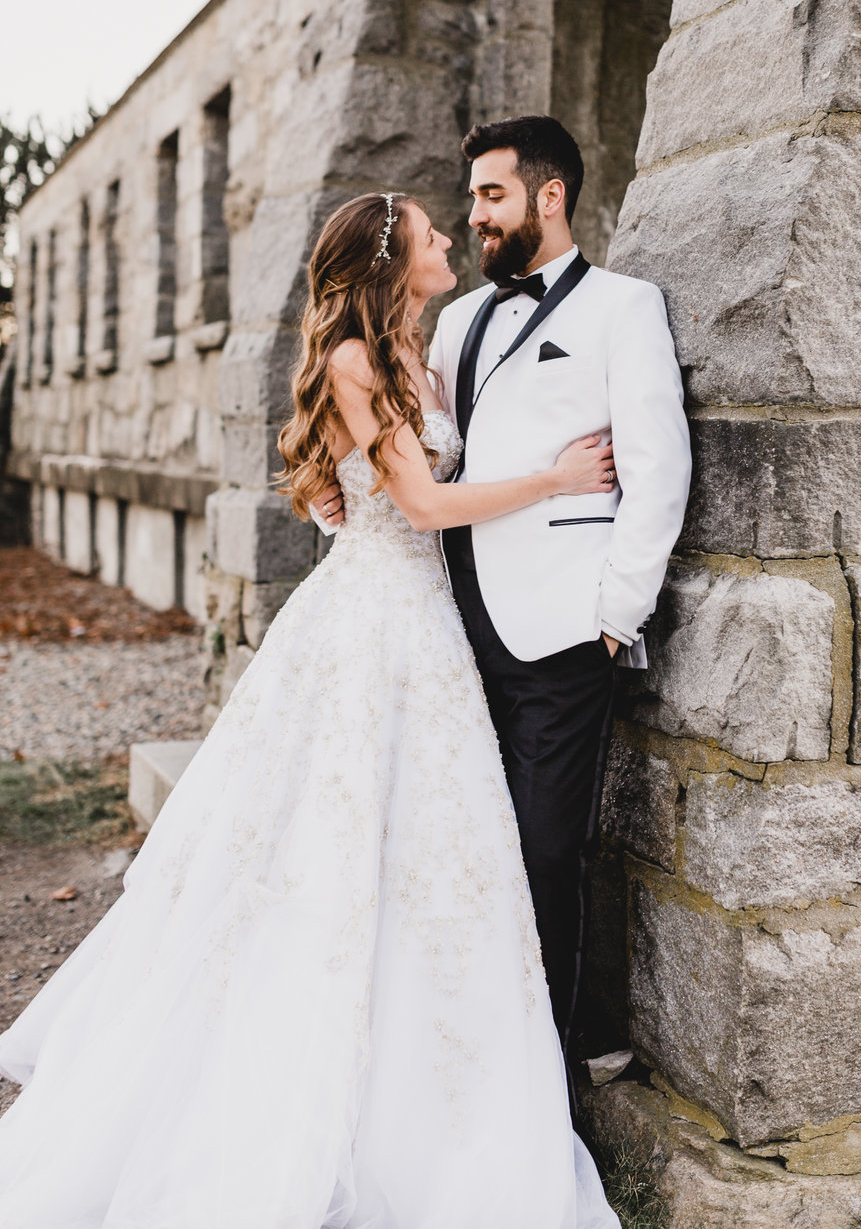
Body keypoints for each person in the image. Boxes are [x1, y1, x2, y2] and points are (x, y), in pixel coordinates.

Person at [0, 192, 621, 1228]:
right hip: (373, 627)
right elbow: (419, 505)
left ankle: (433, 1086)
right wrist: (551, 479)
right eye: (428, 233)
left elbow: (368, 488)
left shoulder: (422, 353)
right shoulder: (352, 362)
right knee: (322, 851)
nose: (446, 241)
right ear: (390, 259)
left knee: (428, 854)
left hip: (426, 627)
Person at [313, 116, 691, 1058]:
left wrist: (614, 618)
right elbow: (411, 462)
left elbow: (659, 470)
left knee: (547, 850)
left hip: (566, 629)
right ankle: (459, 1052)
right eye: (471, 198)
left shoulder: (623, 307)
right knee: (460, 847)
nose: (473, 216)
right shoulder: (452, 322)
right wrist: (335, 486)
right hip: (448, 625)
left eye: (491, 195)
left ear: (548, 195)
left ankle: (545, 1061)